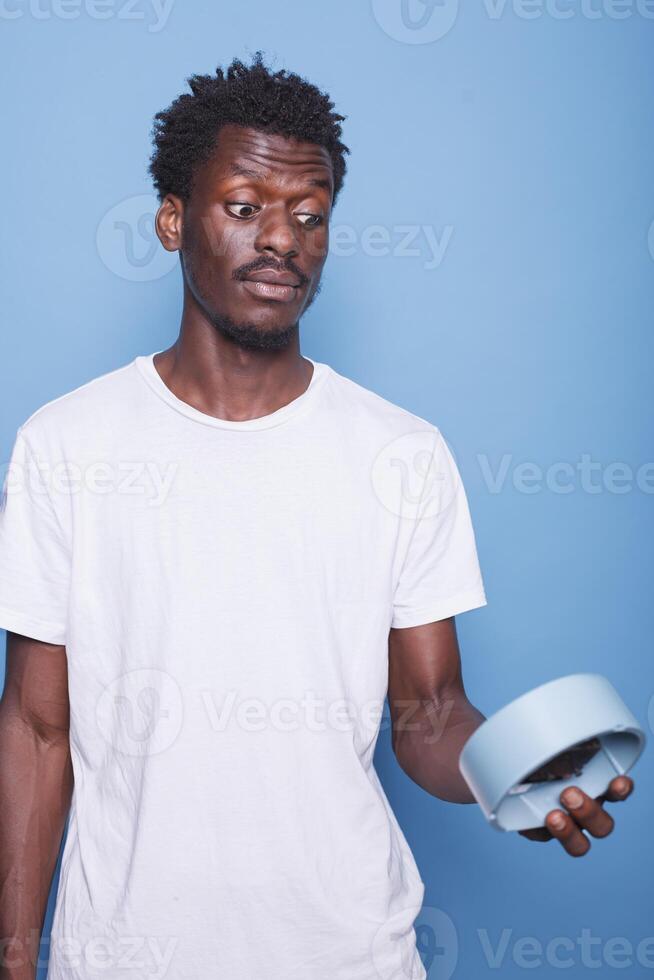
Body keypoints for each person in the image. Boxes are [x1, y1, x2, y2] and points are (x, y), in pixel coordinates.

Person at [0, 52, 634, 980]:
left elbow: (428, 714)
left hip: (349, 955)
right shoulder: (66, 444)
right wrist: (16, 958)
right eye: (245, 207)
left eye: (310, 215)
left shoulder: (400, 453)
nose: (284, 239)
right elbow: (35, 728)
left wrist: (513, 773)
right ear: (174, 220)